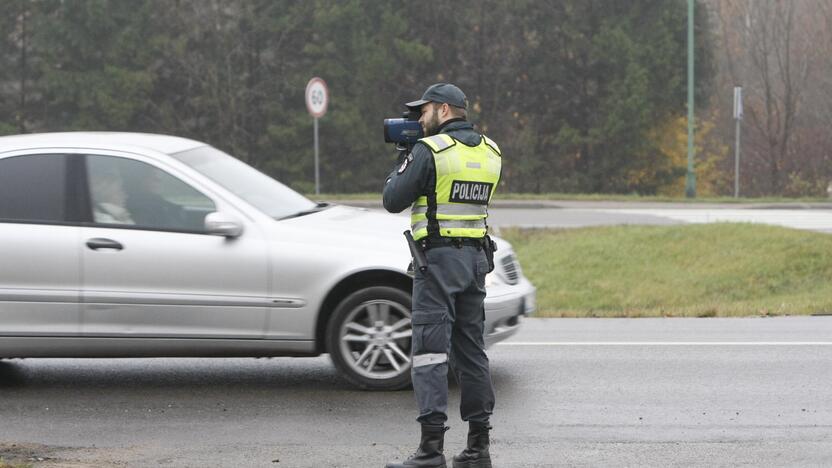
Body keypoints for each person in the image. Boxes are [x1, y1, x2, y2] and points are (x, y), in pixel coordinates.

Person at [383, 83, 502, 468]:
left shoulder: (430, 151)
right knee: (471, 352)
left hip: (437, 264)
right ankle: (478, 448)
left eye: (424, 111)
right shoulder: (491, 151)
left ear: (444, 110)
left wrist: (404, 157)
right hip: (476, 264)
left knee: (430, 352)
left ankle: (431, 450)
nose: (419, 119)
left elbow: (392, 200)